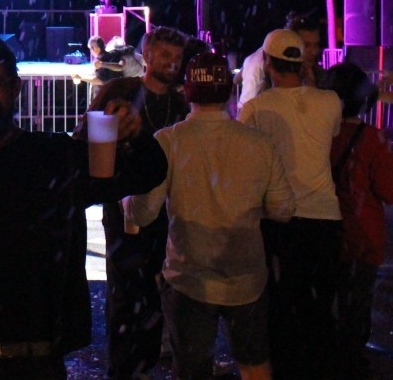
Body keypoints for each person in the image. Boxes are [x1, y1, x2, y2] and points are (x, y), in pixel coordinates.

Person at [0, 36, 168, 379]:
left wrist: (135, 133)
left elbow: (147, 172)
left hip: (31, 361)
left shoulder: (53, 158)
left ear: (15, 88)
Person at [122, 53, 295, 380]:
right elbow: (283, 209)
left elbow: (142, 214)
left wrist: (125, 197)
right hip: (247, 277)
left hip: (190, 277)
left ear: (187, 92)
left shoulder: (170, 141)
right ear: (230, 91)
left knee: (191, 370)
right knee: (254, 363)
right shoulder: (259, 143)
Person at [237, 28, 343, 380]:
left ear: (267, 63)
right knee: (319, 304)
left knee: (281, 306)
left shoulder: (255, 109)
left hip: (279, 219)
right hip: (326, 217)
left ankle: (286, 369)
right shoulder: (330, 102)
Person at [88, 26, 189, 380]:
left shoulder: (181, 103)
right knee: (123, 294)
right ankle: (122, 368)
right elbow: (88, 137)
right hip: (120, 210)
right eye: (165, 56)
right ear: (146, 56)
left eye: (177, 58)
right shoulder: (120, 91)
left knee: (156, 292)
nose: (173, 64)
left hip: (165, 213)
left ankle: (144, 367)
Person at [321, 62, 393, 379]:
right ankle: (350, 360)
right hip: (361, 237)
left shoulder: (312, 135)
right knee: (354, 303)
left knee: (321, 299)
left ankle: (323, 354)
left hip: (316, 232)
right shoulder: (372, 139)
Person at [237, 14, 323, 110]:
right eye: (306, 45)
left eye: (316, 45)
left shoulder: (321, 77)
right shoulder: (269, 80)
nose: (314, 51)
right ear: (292, 44)